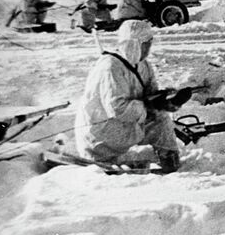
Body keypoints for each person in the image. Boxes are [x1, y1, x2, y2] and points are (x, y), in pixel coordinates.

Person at [74, 20, 182, 173]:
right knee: (157, 118)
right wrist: (149, 105)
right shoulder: (110, 67)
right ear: (134, 44)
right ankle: (104, 158)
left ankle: (169, 158)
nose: (148, 49)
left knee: (161, 118)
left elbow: (151, 95)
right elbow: (117, 109)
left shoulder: (143, 65)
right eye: (146, 44)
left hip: (120, 126)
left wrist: (166, 100)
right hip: (101, 133)